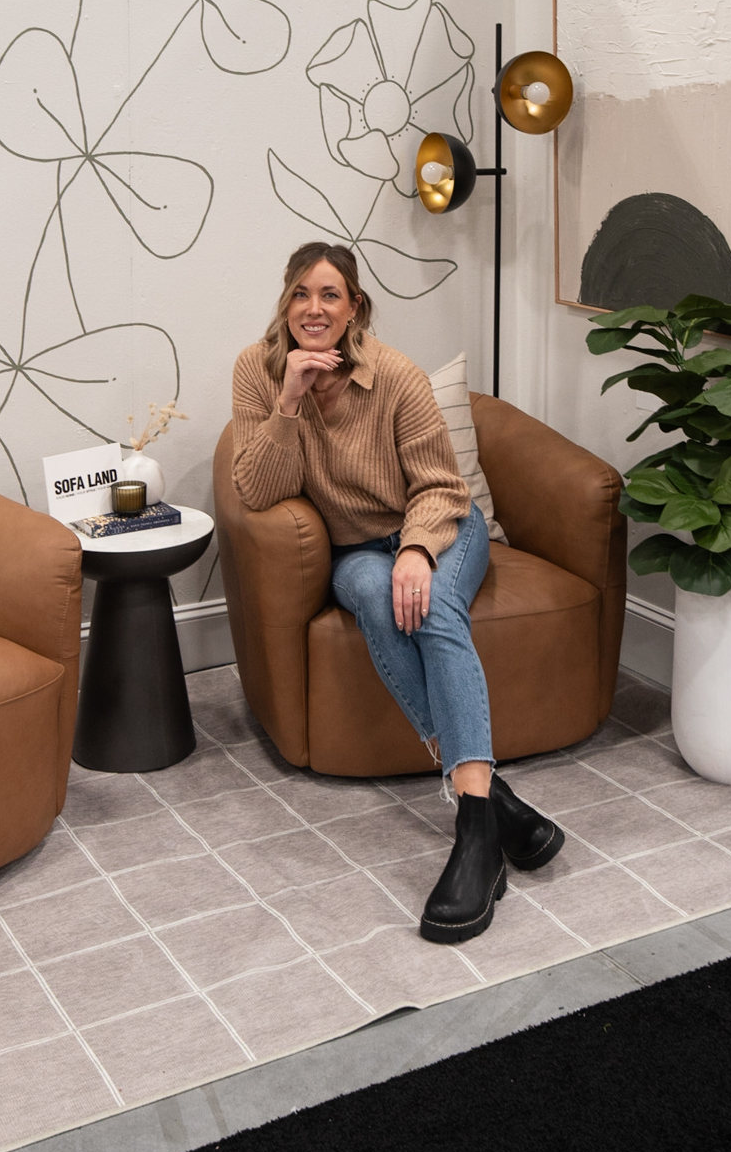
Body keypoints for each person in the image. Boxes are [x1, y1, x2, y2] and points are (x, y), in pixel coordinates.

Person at [231, 242, 565, 945]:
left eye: (330, 294)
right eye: (300, 293)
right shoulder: (258, 374)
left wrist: (416, 548)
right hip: (354, 551)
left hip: (442, 527)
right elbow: (256, 489)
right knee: (380, 600)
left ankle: (474, 837)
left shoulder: (396, 377)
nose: (313, 308)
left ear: (355, 306)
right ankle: (495, 804)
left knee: (434, 605)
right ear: (284, 303)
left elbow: (444, 486)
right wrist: (289, 400)